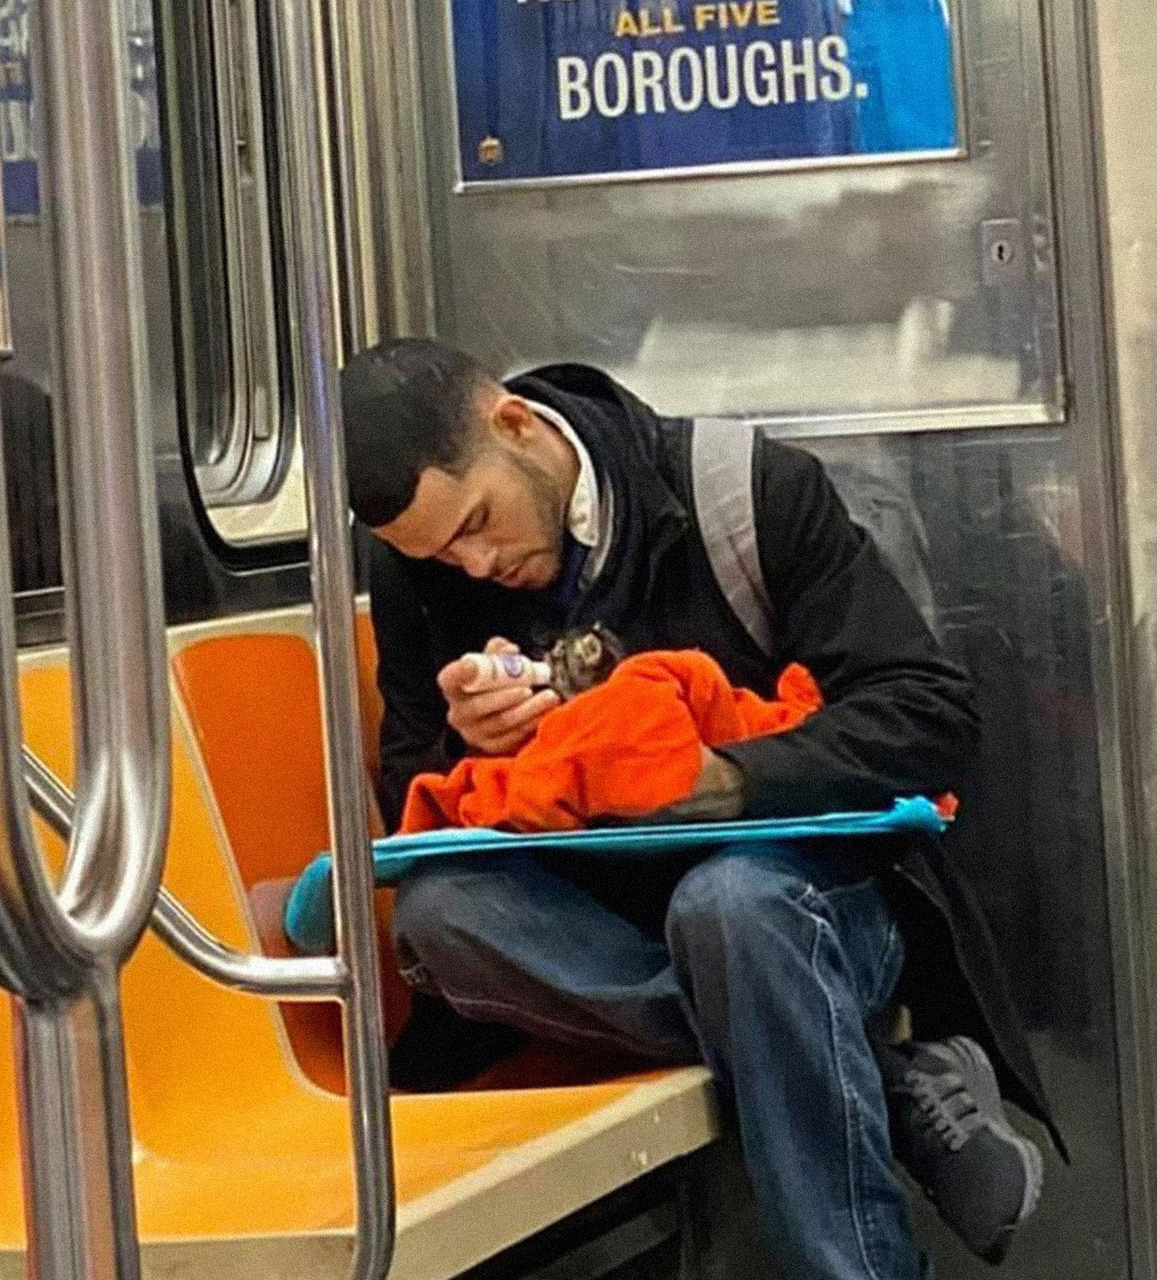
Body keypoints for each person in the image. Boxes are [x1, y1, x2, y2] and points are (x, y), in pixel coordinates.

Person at [341, 338, 1063, 1279]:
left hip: (809, 898)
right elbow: (411, 795)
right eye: (442, 551)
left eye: (479, 522)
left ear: (513, 424)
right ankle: (887, 1084)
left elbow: (928, 710)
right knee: (440, 917)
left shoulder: (745, 493)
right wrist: (466, 745)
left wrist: (729, 777)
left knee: (732, 908)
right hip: (595, 927)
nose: (474, 565)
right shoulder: (418, 571)